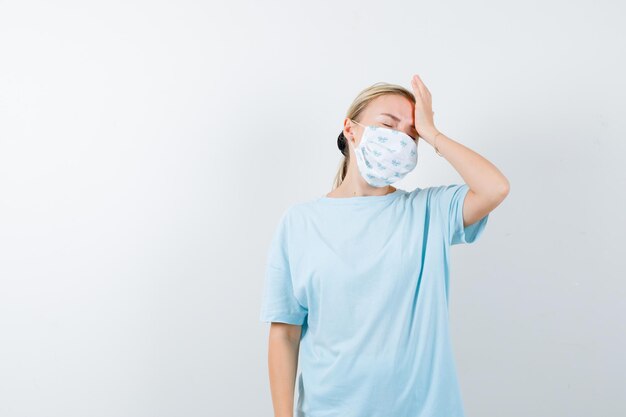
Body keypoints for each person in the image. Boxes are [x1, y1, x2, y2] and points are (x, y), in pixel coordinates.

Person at [259, 74, 510, 417]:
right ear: (351, 129)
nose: (401, 139)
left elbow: (494, 188)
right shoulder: (300, 223)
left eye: (411, 133)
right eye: (389, 125)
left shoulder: (428, 212)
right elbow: (285, 334)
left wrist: (433, 132)